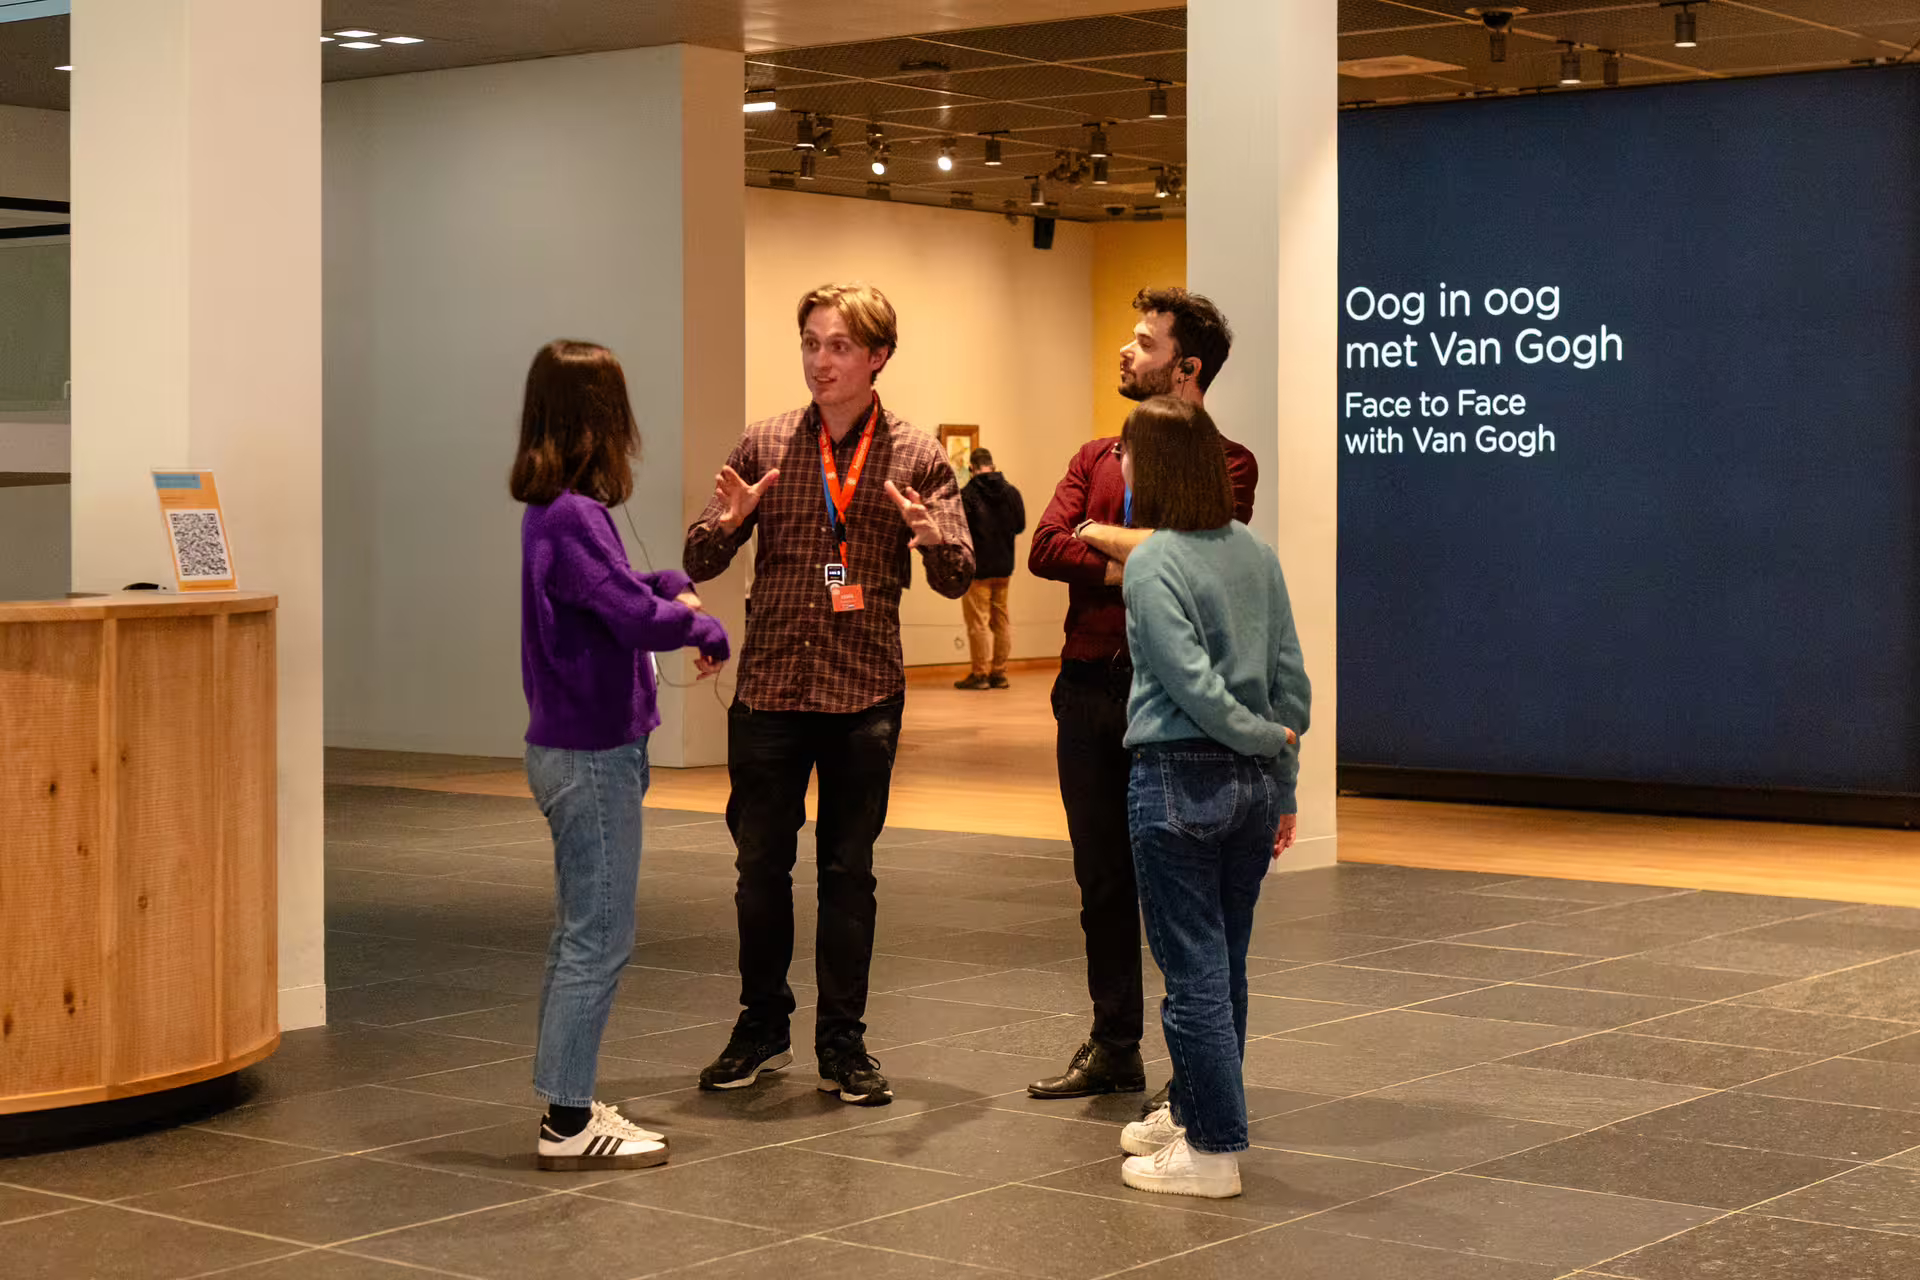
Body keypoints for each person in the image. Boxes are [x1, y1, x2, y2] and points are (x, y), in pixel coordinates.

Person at [683, 283, 974, 1106]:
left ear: (877, 357)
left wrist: (932, 538)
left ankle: (843, 1043)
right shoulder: (768, 441)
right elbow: (698, 557)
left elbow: (957, 577)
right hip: (771, 689)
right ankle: (760, 1023)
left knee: (849, 873)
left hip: (863, 695)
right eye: (811, 343)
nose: (821, 360)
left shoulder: (917, 457)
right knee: (758, 869)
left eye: (839, 345)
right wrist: (731, 522)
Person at [1025, 288, 1258, 1102]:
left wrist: (1113, 546)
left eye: (1144, 342)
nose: (1126, 351)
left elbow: (1198, 562)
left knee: (1182, 889)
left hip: (1175, 702)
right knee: (1102, 882)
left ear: (1186, 368)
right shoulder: (1095, 455)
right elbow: (1045, 550)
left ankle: (1199, 1062)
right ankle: (1113, 1044)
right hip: (1089, 692)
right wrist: (1138, 556)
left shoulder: (1228, 464)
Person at [512, 339, 732, 1171]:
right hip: (591, 756)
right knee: (597, 937)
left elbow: (607, 593)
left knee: (584, 932)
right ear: (600, 418)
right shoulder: (573, 515)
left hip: (581, 749)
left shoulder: (558, 513)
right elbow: (624, 613)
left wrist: (665, 580)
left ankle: (567, 1097)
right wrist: (698, 622)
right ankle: (568, 1122)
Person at [1110, 395, 1309, 1199]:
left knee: (1191, 969)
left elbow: (1189, 685)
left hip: (1177, 779)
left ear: (1152, 466)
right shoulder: (1254, 554)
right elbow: (1291, 681)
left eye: (1125, 454)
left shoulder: (1154, 560)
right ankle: (1195, 1112)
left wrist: (1261, 742)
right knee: (1224, 964)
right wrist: (1281, 775)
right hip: (1253, 790)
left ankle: (1213, 1152)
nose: (1119, 466)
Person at [955, 447, 1026, 690]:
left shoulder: (967, 495)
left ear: (971, 469)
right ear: (993, 466)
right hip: (1004, 567)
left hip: (977, 570)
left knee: (978, 623)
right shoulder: (1011, 492)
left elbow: (959, 530)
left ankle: (980, 674)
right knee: (1001, 621)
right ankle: (999, 673)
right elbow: (1020, 525)